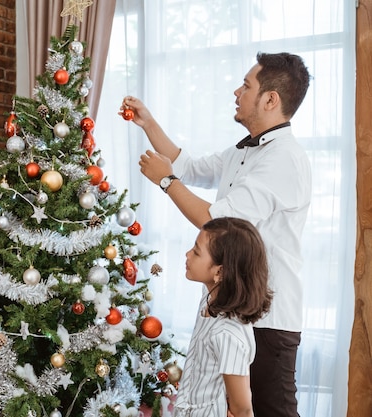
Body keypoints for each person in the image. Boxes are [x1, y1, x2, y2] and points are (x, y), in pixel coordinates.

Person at [121, 52, 311, 417]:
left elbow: (215, 221)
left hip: (267, 317)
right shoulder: (243, 151)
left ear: (270, 99)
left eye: (246, 85)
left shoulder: (284, 158)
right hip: (236, 305)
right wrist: (149, 124)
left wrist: (164, 180)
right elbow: (189, 165)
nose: (236, 91)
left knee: (273, 410)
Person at [175, 217, 272, 417]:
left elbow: (242, 407)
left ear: (220, 272)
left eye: (196, 251)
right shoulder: (210, 301)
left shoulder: (227, 333)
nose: (187, 254)